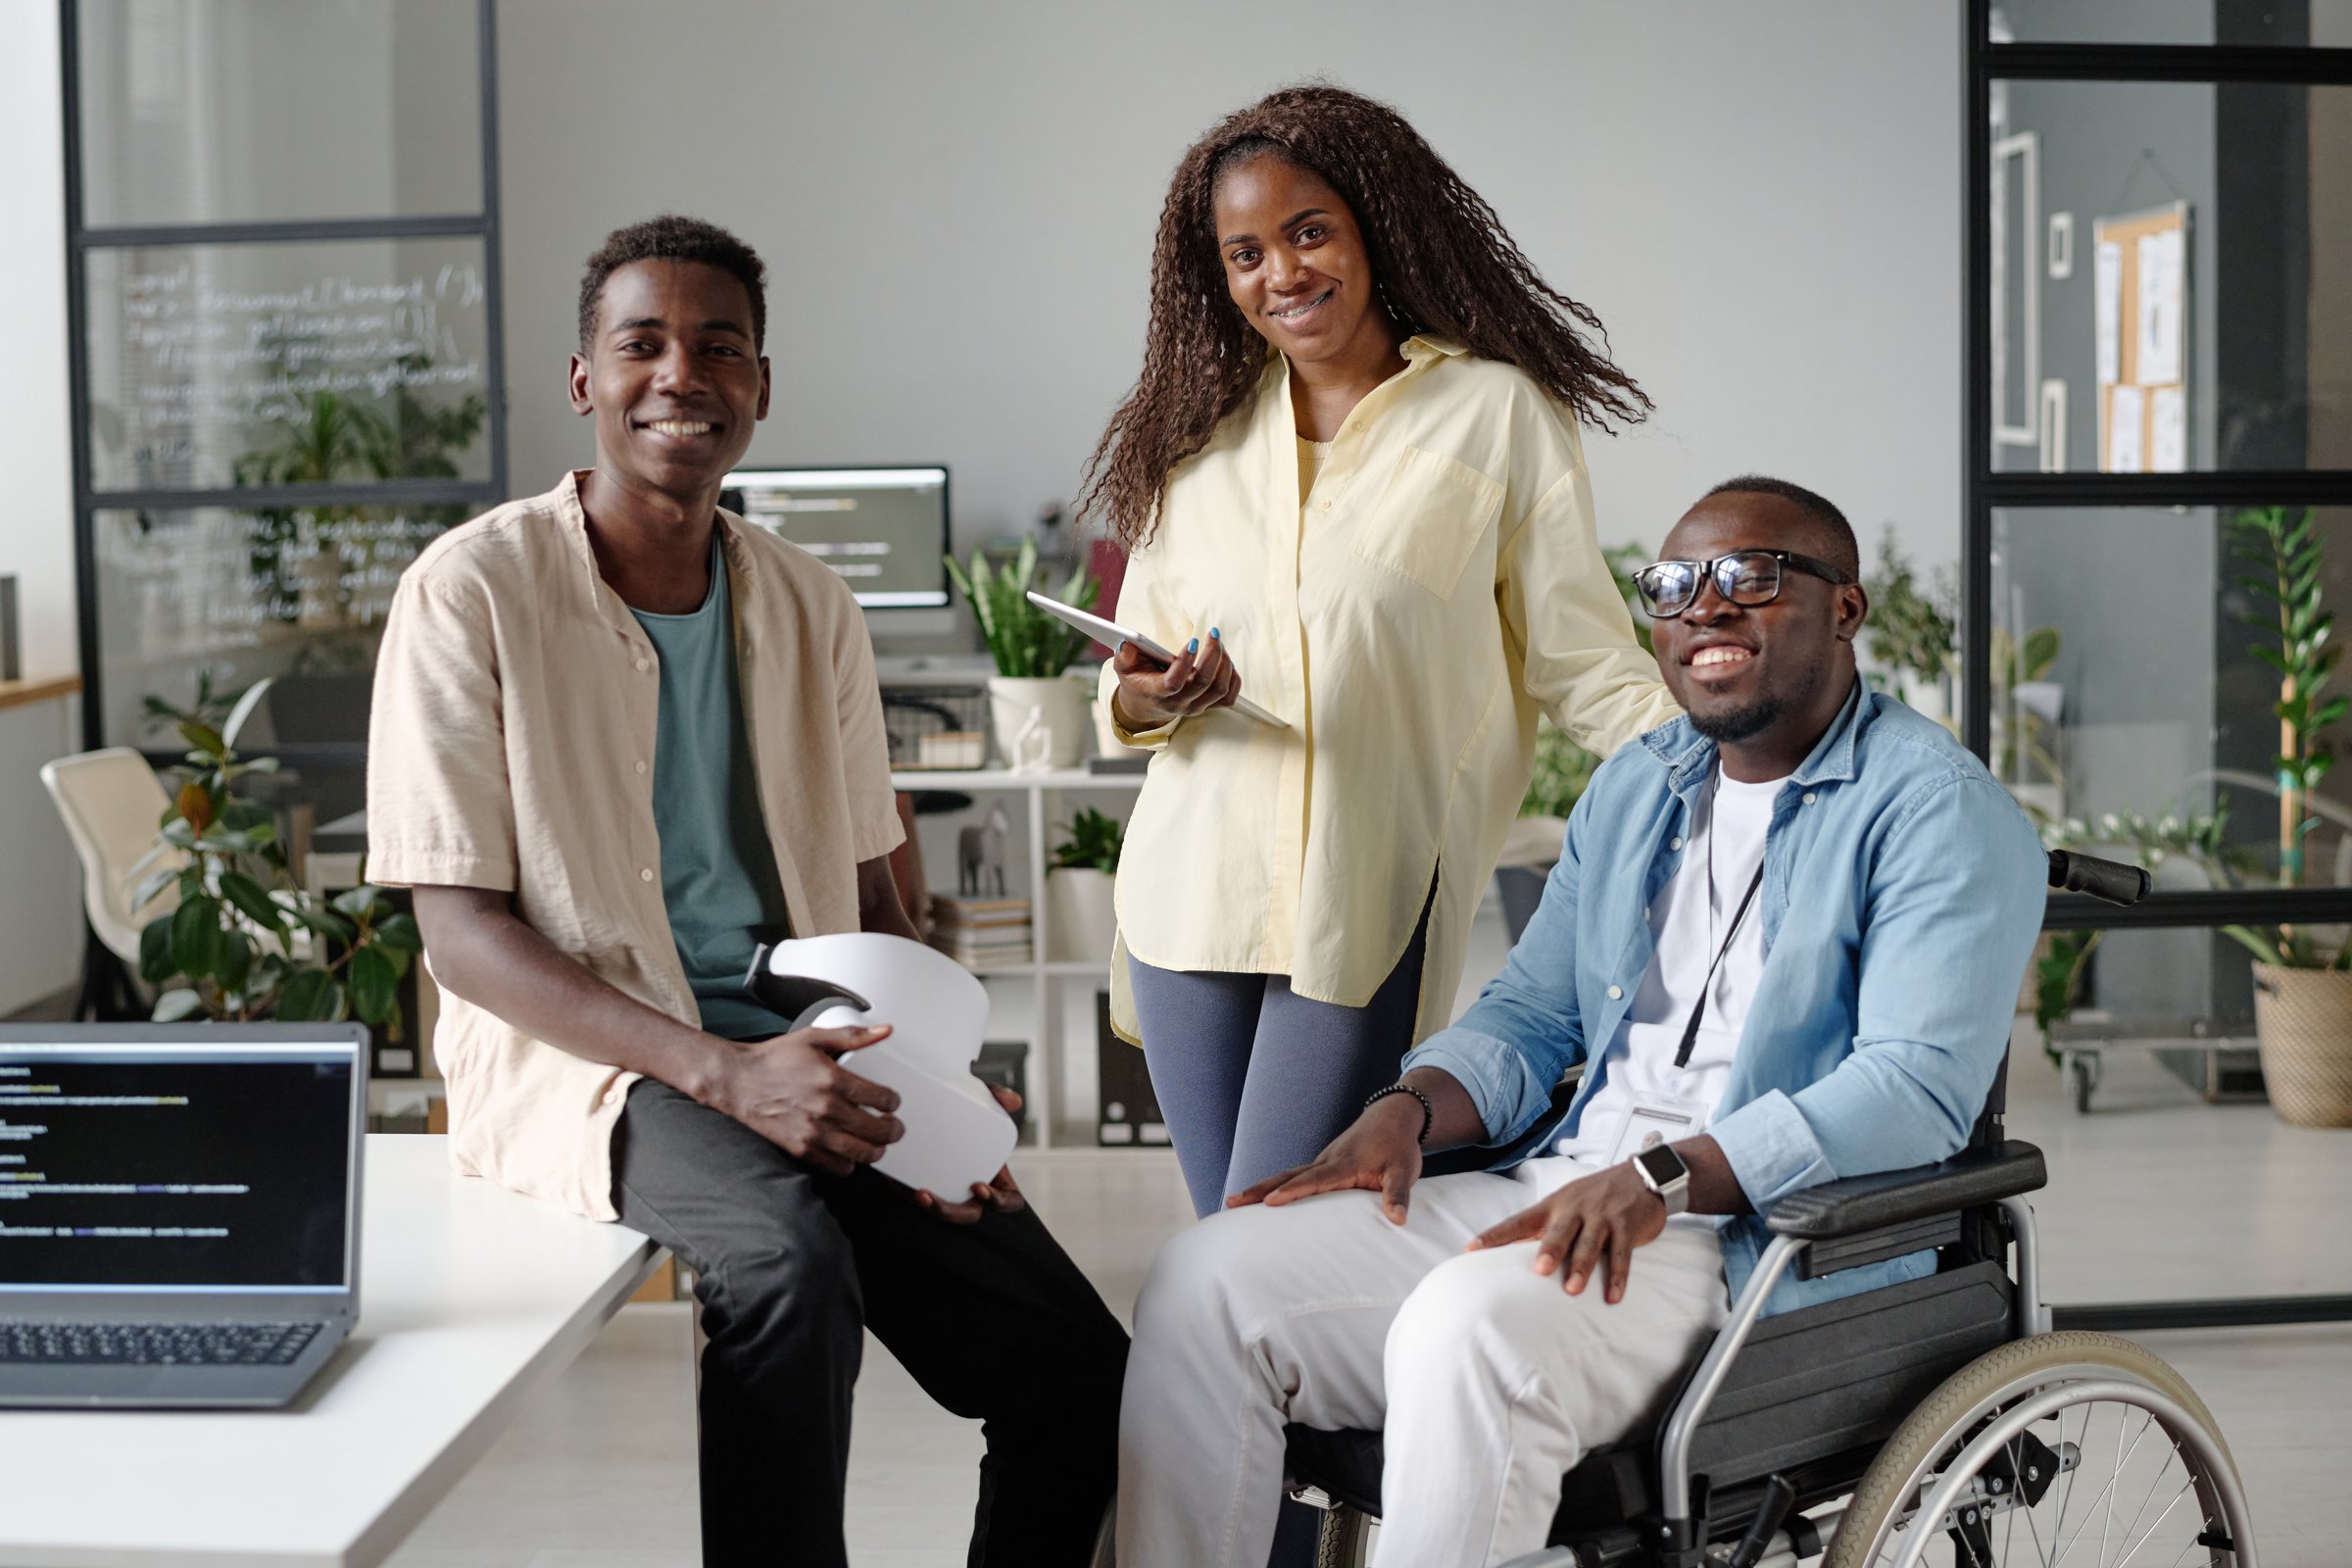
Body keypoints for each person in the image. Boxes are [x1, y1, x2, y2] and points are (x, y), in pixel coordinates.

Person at [365, 215, 1125, 1568]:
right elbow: (461, 936)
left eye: (719, 346)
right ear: (585, 379)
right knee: (786, 1265)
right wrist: (726, 1074)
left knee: (1080, 1372)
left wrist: (943, 1100)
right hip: (597, 1059)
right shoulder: (469, 591)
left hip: (806, 1049)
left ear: (761, 386)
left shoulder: (810, 604)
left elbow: (867, 906)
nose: (682, 373)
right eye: (642, 342)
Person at [1114, 478, 2049, 1567]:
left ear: (1845, 608)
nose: (1705, 607)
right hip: (1561, 1186)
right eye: (1674, 586)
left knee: (1470, 1327)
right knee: (1207, 1281)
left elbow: (1916, 1087)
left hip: (1752, 1241)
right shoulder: (1641, 787)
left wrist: (1666, 1176)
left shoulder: (1937, 809)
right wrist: (1409, 1107)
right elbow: (1530, 1012)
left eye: (1751, 576)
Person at [1081, 85, 1681, 1228]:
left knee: (1276, 1228)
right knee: (1238, 1246)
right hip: (1188, 894)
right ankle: (1322, 1416)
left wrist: (1747, 770)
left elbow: (1581, 658)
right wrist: (1147, 694)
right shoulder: (1188, 437)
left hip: (1365, 892)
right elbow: (1130, 680)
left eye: (1309, 232)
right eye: (1245, 252)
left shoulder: (1495, 415)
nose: (1282, 274)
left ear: (1373, 226)